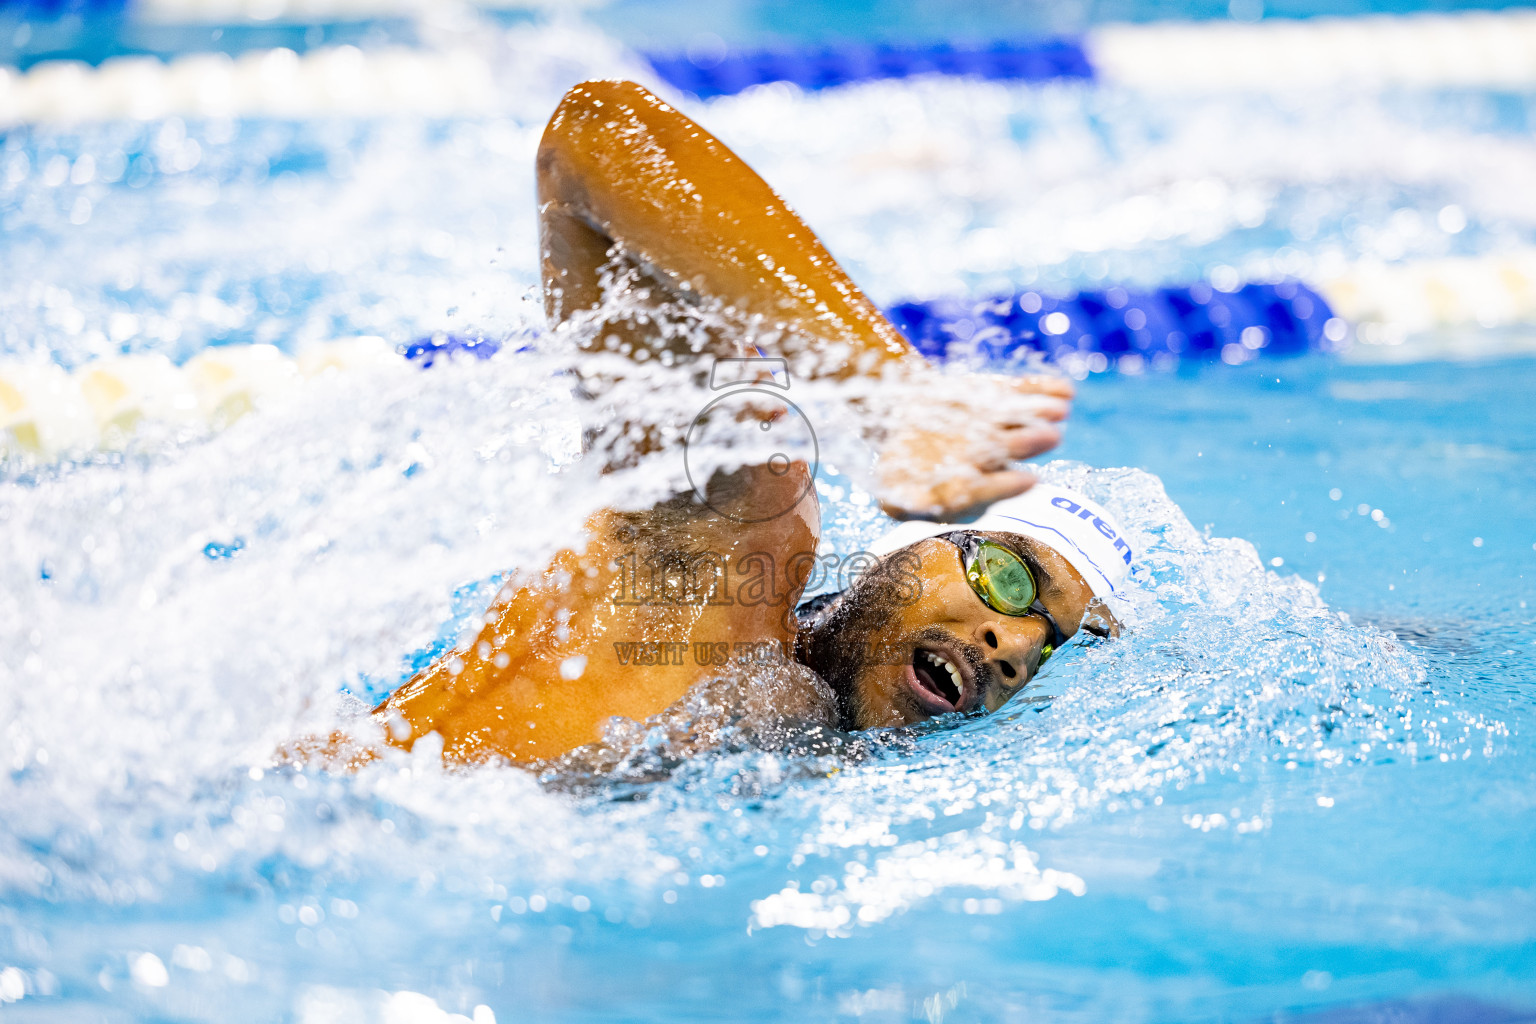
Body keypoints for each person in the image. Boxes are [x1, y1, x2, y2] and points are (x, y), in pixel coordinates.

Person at [334, 79, 1130, 769]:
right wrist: (885, 391)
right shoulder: (734, 549)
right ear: (912, 542)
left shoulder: (796, 739)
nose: (1016, 649)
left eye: (1050, 644)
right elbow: (600, 129)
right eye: (1009, 576)